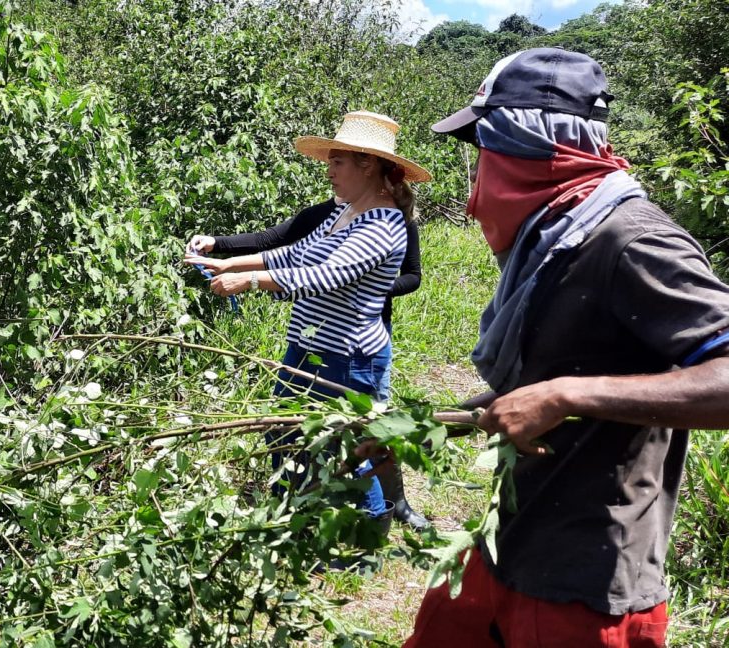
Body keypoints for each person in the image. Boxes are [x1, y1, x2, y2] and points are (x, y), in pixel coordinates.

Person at [400, 47, 729, 648]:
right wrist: (414, 426)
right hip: (510, 537)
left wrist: (566, 394)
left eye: (484, 148)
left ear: (525, 142)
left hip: (586, 574)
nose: (479, 178)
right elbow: (538, 384)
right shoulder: (554, 240)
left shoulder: (632, 241)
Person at [185, 111, 432, 530]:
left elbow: (325, 276)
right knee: (286, 434)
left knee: (350, 449)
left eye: (337, 162)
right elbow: (293, 253)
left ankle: (368, 533)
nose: (329, 171)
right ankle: (296, 520)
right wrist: (225, 262)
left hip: (347, 358)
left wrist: (250, 281)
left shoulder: (384, 223)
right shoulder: (344, 212)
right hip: (307, 348)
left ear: (367, 165)